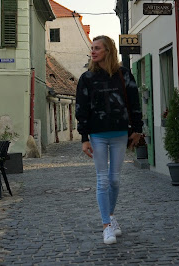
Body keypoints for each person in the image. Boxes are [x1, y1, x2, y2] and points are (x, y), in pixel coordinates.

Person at [75, 35, 144, 245]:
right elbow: (81, 109)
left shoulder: (123, 74)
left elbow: (134, 101)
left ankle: (111, 216)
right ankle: (106, 225)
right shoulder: (87, 78)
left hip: (120, 133)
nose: (93, 52)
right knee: (102, 179)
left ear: (108, 51)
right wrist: (84, 137)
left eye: (97, 48)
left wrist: (138, 130)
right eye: (92, 48)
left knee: (115, 179)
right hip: (97, 134)